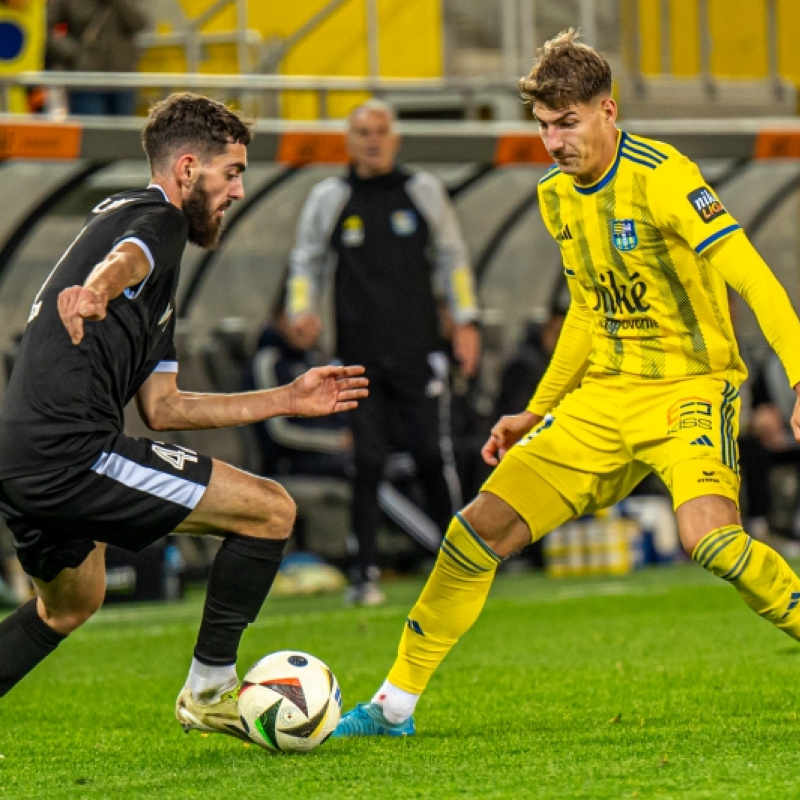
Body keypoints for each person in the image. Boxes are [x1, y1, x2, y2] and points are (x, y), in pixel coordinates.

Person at [332, 29, 800, 738]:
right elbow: (587, 309)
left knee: (712, 543)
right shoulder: (556, 196)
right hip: (603, 399)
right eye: (544, 127)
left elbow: (754, 277)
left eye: (567, 123)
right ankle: (394, 706)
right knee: (475, 532)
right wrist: (537, 410)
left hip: (688, 390)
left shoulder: (666, 177)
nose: (553, 142)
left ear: (607, 112)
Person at [0, 93, 368, 745]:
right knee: (272, 509)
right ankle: (208, 689)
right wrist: (100, 288)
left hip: (21, 455)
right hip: (71, 454)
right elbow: (130, 256)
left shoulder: (154, 281)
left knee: (71, 604)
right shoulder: (157, 220)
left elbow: (165, 409)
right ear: (189, 169)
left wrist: (287, 397)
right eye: (234, 173)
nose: (240, 190)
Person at [287, 99, 481, 605]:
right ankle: (364, 573)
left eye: (380, 132)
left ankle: (459, 563)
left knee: (430, 456)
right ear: (348, 141)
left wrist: (465, 320)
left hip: (420, 354)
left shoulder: (422, 192)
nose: (372, 140)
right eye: (361, 132)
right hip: (356, 358)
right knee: (366, 462)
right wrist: (301, 309)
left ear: (394, 140)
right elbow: (305, 262)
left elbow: (453, 259)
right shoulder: (329, 198)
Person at [46, 0, 148, 116]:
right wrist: (73, 53)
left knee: (123, 132)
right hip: (86, 81)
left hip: (122, 78)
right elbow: (44, 28)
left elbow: (138, 24)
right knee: (92, 131)